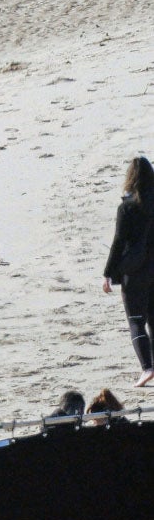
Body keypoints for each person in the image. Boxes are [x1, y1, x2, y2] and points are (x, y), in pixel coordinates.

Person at [102, 157, 154, 387]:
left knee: (136, 321)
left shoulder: (127, 207)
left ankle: (147, 368)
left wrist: (107, 274)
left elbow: (118, 242)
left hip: (135, 272)